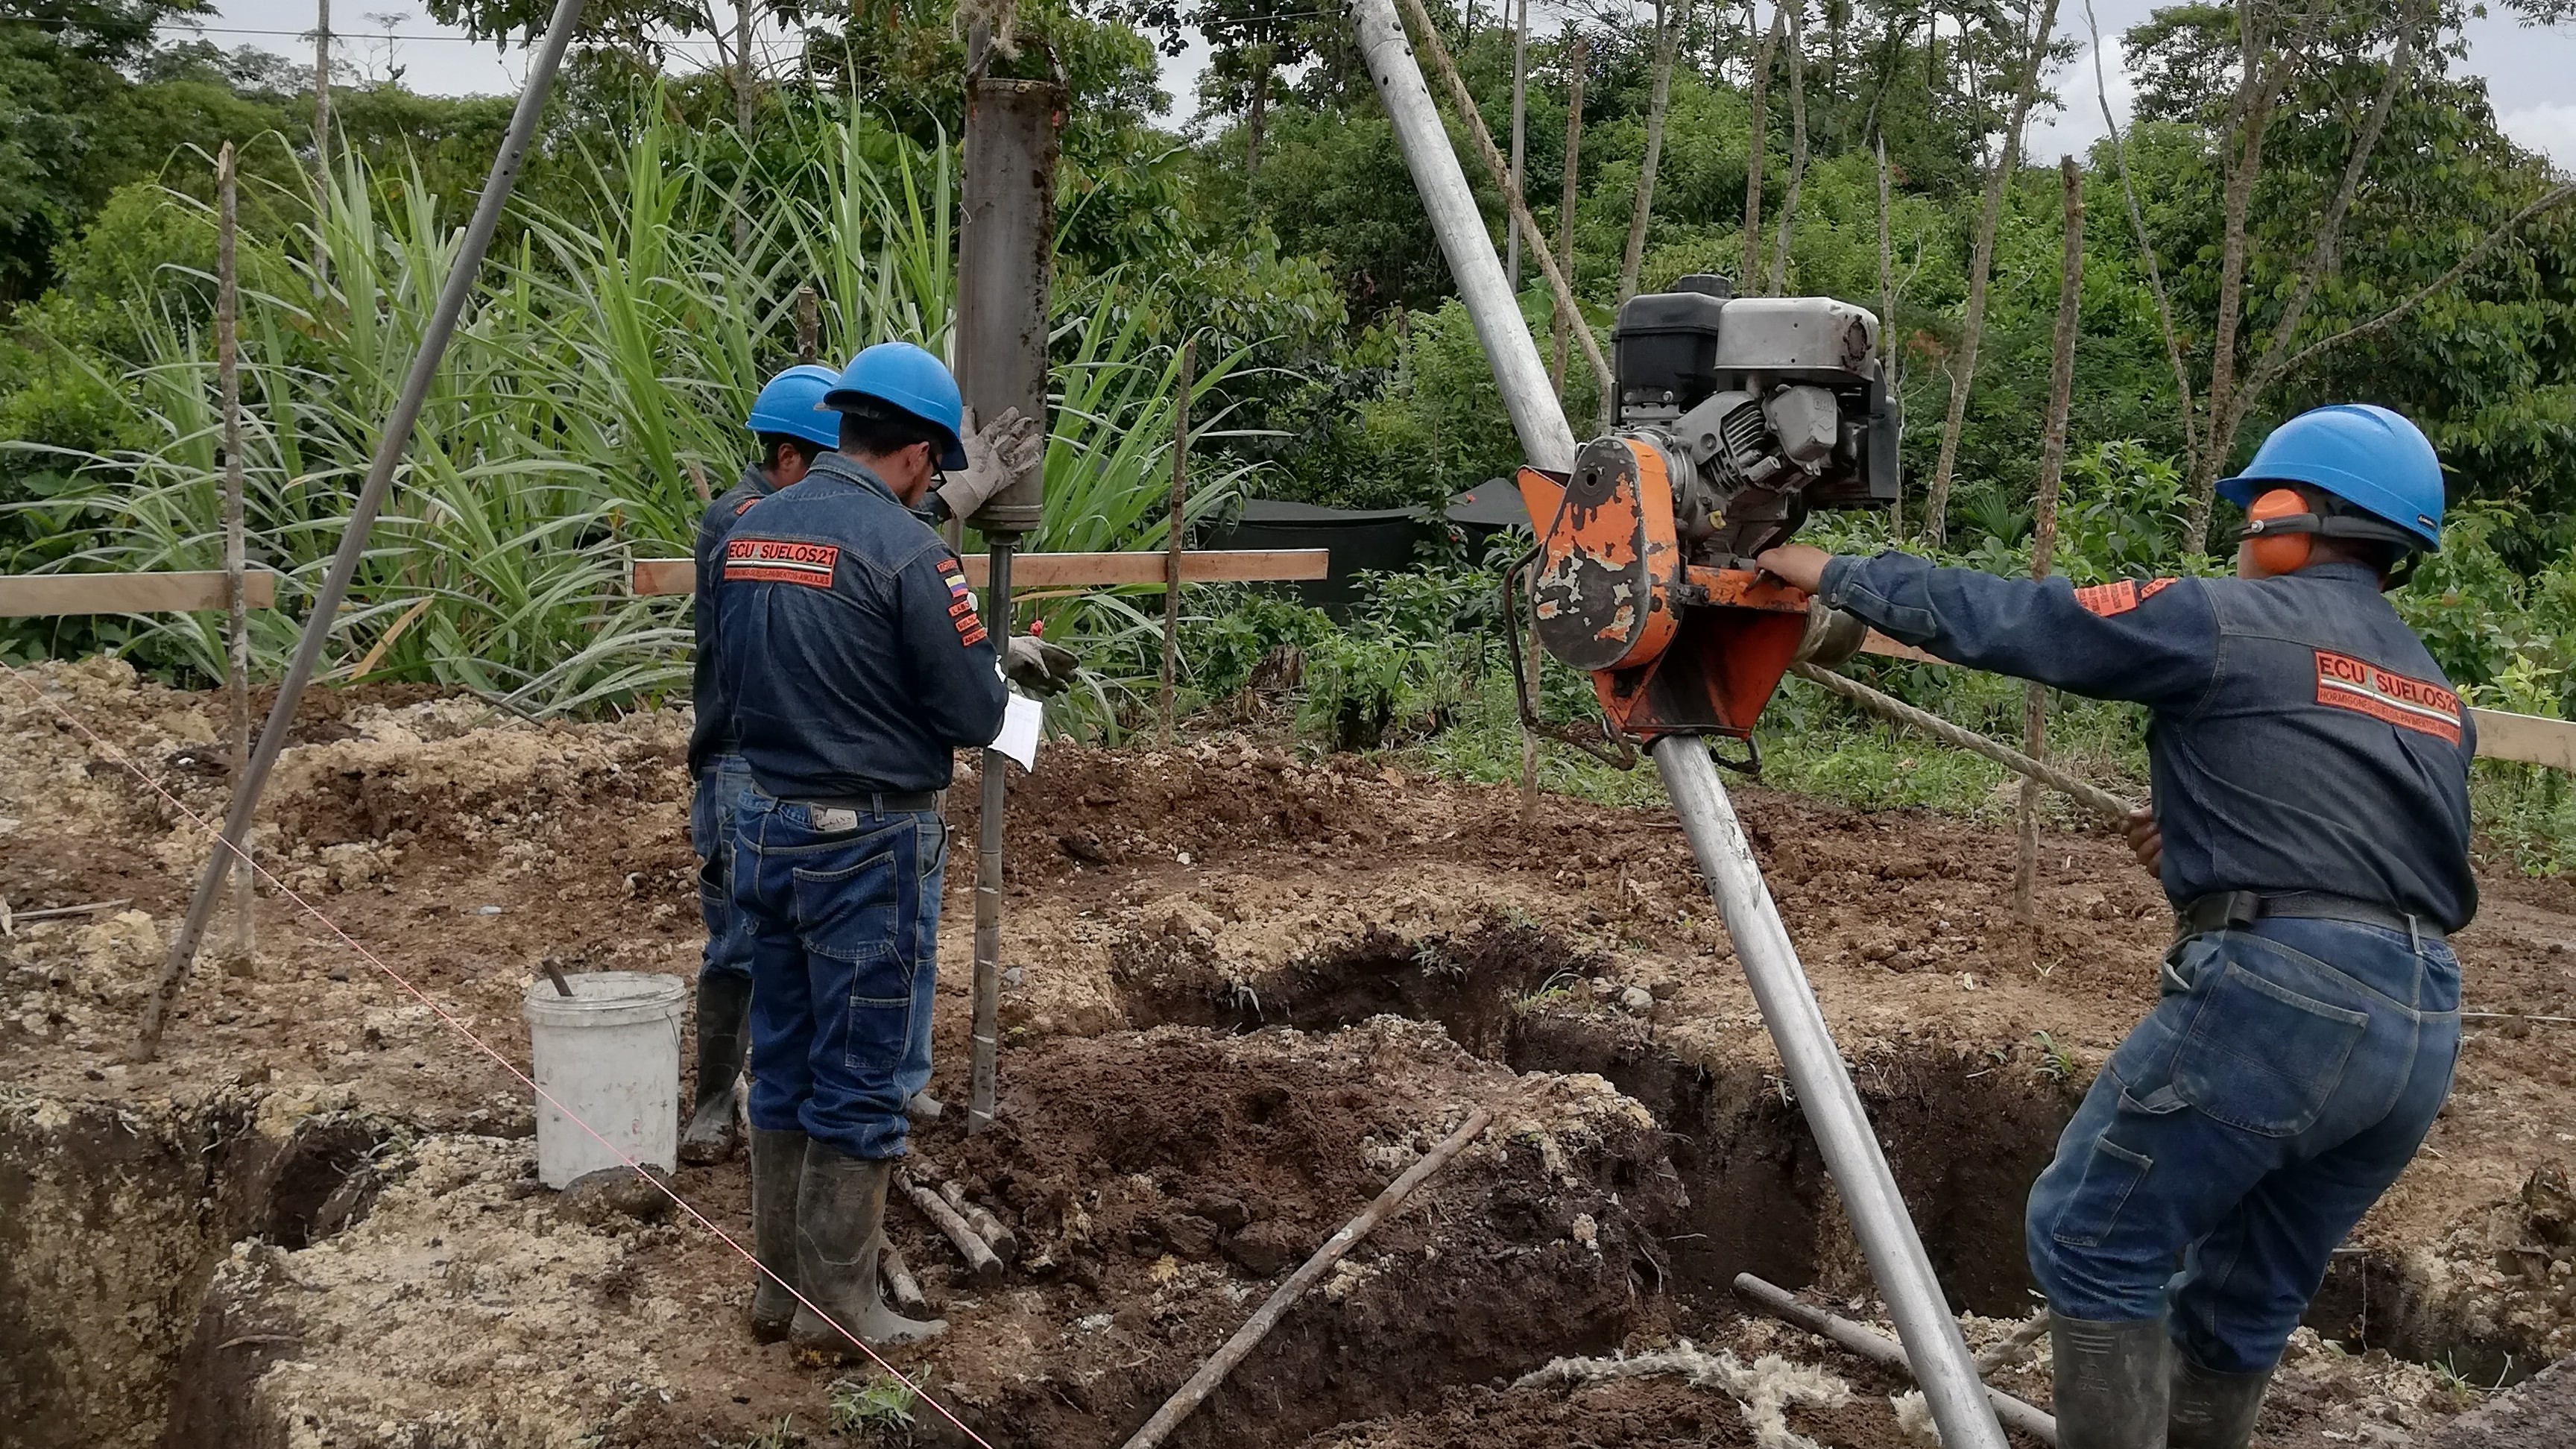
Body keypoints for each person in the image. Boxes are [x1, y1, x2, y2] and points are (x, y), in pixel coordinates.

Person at [1754, 404, 2470, 1449]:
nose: (2240, 539)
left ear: (2284, 517)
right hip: (2422, 1029)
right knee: (2247, 1292)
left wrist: (1820, 569)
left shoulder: (2223, 618)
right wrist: (2197, 845)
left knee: (2093, 1235)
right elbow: (2368, 848)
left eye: (2249, 517)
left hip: (2286, 999)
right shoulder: (2433, 693)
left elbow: (2023, 620)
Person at [718, 341, 1055, 1361]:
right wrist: (1005, 677)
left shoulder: (751, 531)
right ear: (915, 454)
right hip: (866, 844)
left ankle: (779, 1293)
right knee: (862, 1074)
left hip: (767, 825)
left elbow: (761, 670)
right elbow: (964, 709)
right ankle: (839, 1311)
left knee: (778, 1061)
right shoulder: (915, 556)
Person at [681, 364, 846, 1167]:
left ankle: (795, 1091)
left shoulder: (789, 510)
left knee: (814, 933)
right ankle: (715, 1100)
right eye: (831, 466)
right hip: (741, 761)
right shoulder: (737, 520)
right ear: (787, 459)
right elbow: (819, 540)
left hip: (802, 759)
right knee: (741, 939)